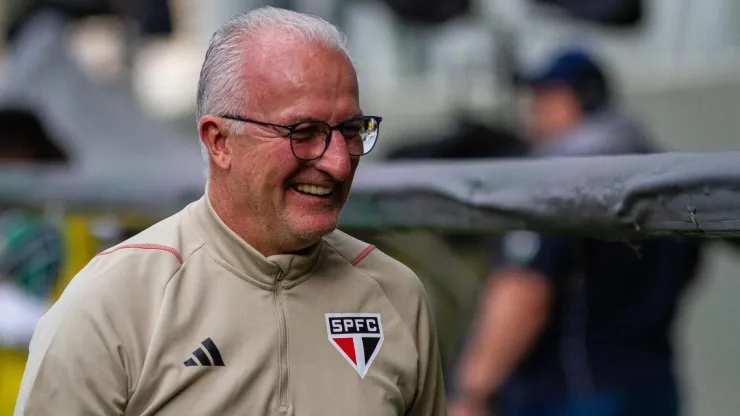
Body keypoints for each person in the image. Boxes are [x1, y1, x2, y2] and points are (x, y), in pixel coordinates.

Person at [14, 7, 446, 415]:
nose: (337, 162)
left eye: (351, 130)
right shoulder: (114, 302)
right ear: (220, 141)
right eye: (304, 132)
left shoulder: (396, 294)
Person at [448, 48, 703, 416]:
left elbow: (525, 290)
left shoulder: (565, 177)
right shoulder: (659, 171)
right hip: (654, 388)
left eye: (546, 96)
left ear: (580, 99)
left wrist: (472, 392)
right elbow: (691, 267)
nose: (532, 109)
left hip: (575, 395)